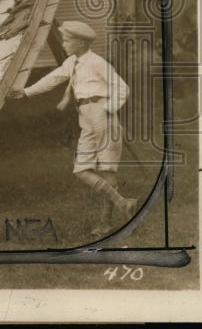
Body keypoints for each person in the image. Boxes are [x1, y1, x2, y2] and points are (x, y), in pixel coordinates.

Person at [9, 20, 136, 236]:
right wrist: (26, 92)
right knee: (81, 170)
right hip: (85, 118)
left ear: (80, 43)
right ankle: (123, 203)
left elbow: (122, 88)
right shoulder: (72, 62)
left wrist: (107, 109)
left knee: (107, 170)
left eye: (68, 41)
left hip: (102, 114)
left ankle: (106, 223)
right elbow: (53, 78)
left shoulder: (97, 63)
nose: (65, 44)